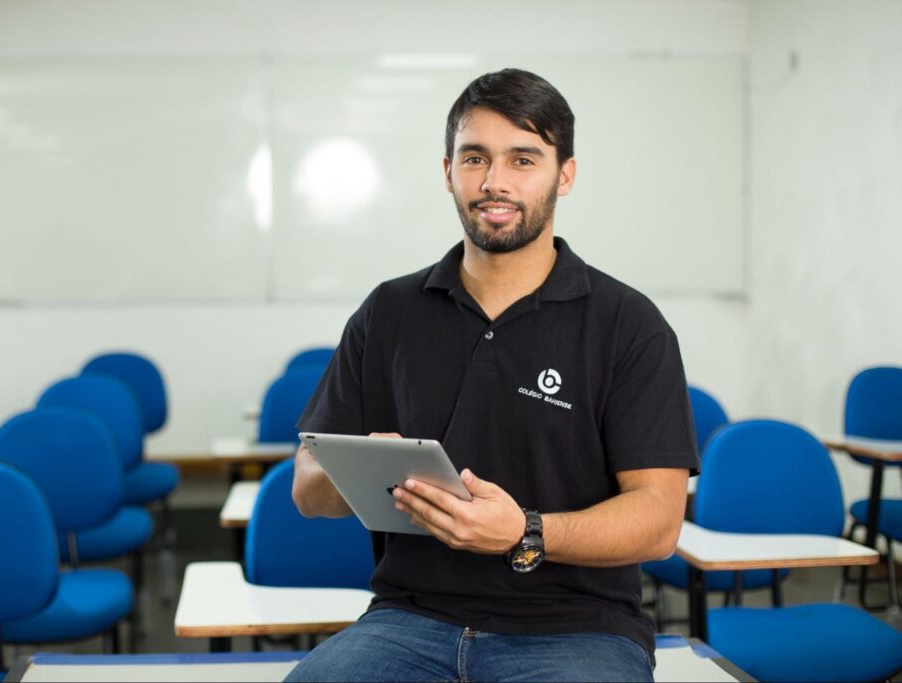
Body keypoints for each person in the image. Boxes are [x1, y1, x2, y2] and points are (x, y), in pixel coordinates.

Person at [286, 68, 699, 683]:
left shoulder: (628, 324)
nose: (494, 182)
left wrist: (524, 531)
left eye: (522, 159)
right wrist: (357, 468)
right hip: (408, 620)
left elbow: (659, 522)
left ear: (566, 174)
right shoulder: (388, 312)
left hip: (578, 629)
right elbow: (306, 489)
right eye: (475, 158)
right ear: (448, 171)